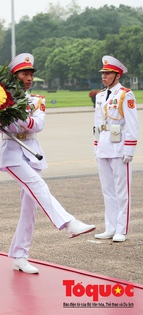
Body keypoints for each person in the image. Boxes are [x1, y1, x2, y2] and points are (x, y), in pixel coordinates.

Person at [0, 53, 96, 274]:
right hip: (12, 153)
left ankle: (20, 255)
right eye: (25, 74)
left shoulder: (37, 100)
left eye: (31, 74)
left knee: (29, 208)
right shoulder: (1, 101)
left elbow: (37, 125)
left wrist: (15, 114)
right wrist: (9, 111)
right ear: (15, 76)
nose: (29, 78)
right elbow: (0, 126)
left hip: (33, 152)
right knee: (38, 186)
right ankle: (68, 223)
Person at [93, 56, 139, 243]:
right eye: (103, 73)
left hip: (119, 147)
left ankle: (121, 229)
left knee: (122, 191)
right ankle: (110, 227)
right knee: (108, 190)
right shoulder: (100, 96)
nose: (104, 76)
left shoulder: (125, 95)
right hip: (104, 145)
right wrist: (96, 145)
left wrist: (129, 149)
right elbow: (97, 123)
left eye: (108, 73)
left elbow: (132, 124)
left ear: (117, 75)